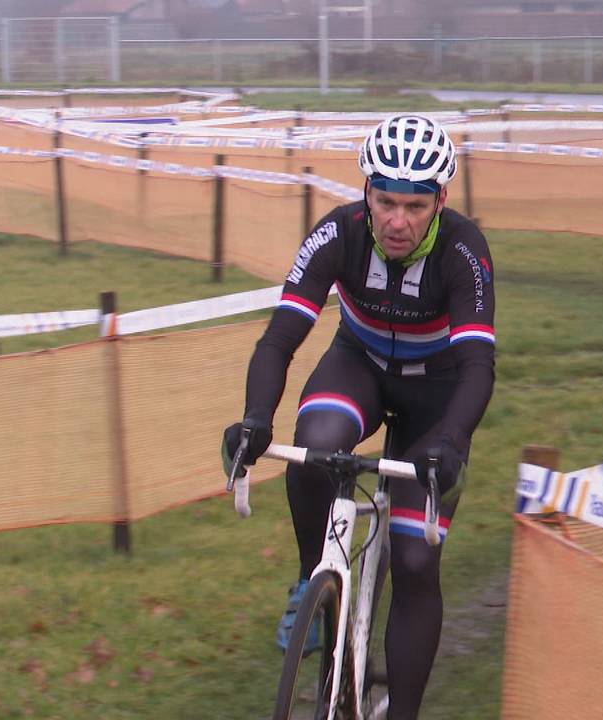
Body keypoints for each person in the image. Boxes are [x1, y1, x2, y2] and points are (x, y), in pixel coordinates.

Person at [221, 114, 495, 719]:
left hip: (438, 392)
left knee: (417, 560)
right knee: (316, 440)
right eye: (386, 201)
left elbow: (478, 366)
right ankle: (311, 581)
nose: (397, 221)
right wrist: (254, 417)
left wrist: (450, 439)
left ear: (440, 201)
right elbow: (279, 340)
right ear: (366, 192)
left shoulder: (463, 251)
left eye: (415, 206)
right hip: (360, 365)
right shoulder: (338, 234)